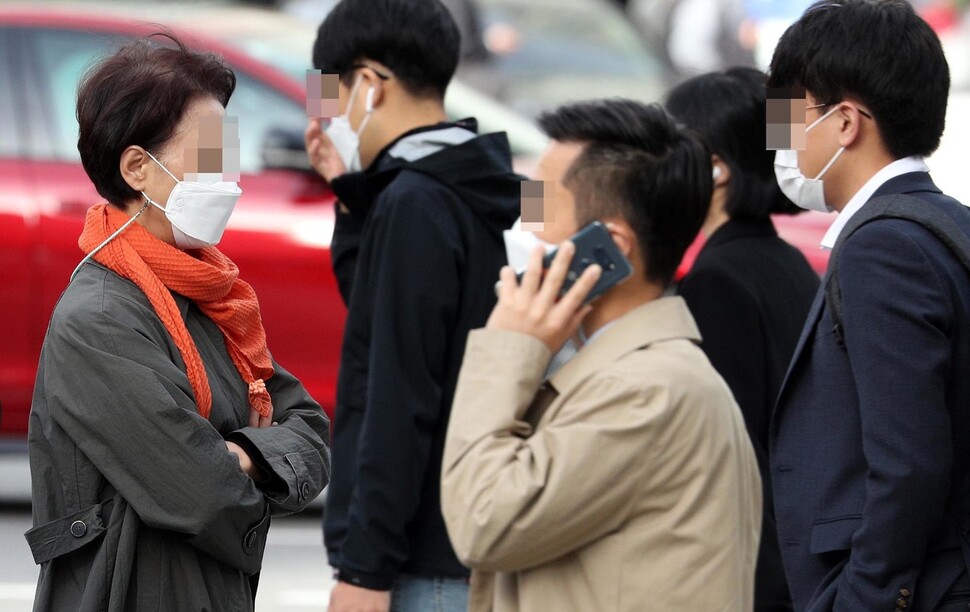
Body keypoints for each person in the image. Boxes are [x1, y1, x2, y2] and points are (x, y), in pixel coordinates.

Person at [25, 36, 331, 612]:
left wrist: (238, 455)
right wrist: (257, 456)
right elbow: (205, 493)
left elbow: (311, 430)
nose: (231, 176)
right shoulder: (101, 318)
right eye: (211, 154)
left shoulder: (206, 295)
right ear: (139, 167)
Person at [440, 99, 762, 611]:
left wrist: (507, 346)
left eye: (540, 203)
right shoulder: (630, 372)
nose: (525, 223)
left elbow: (483, 521)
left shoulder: (645, 390)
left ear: (606, 249)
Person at [303, 1, 520, 609]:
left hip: (421, 558)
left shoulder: (414, 202)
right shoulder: (471, 178)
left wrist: (364, 570)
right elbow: (386, 319)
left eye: (330, 90)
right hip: (465, 534)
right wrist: (352, 198)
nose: (325, 112)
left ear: (369, 84)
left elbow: (398, 393)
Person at [766, 1, 970, 609]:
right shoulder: (944, 222)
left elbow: (908, 461)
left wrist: (868, 595)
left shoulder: (883, 248)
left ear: (846, 123)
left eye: (788, 119)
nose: (782, 144)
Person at [665, 67, 819, 612]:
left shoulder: (717, 279)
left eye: (669, 146)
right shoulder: (786, 261)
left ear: (716, 168)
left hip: (754, 572)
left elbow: (725, 456)